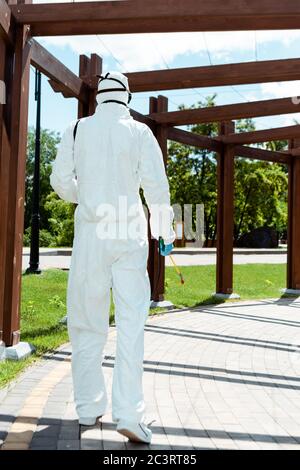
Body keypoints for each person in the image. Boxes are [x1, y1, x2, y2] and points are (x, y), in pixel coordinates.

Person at [50, 71, 175, 444]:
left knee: (87, 323)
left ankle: (88, 407)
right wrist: (165, 234)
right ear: (127, 98)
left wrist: (85, 194)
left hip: (90, 234)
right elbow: (157, 187)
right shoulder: (139, 133)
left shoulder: (76, 129)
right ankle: (129, 414)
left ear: (99, 98)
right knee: (131, 324)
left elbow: (59, 180)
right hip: (129, 233)